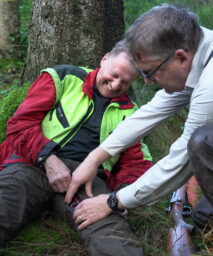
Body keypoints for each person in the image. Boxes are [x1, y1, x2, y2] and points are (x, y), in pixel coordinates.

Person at [65, 4, 213, 256]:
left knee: (205, 143)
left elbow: (180, 162)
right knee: (207, 216)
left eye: (150, 73)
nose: (146, 81)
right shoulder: (205, 48)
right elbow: (151, 112)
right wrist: (95, 158)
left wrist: (113, 201)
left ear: (180, 56)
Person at [0, 40, 154, 256]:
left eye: (125, 82)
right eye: (114, 74)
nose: (115, 85)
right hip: (31, 165)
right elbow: (19, 125)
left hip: (87, 182)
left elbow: (136, 161)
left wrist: (120, 196)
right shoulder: (62, 77)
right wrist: (48, 158)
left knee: (112, 234)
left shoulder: (131, 112)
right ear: (104, 59)